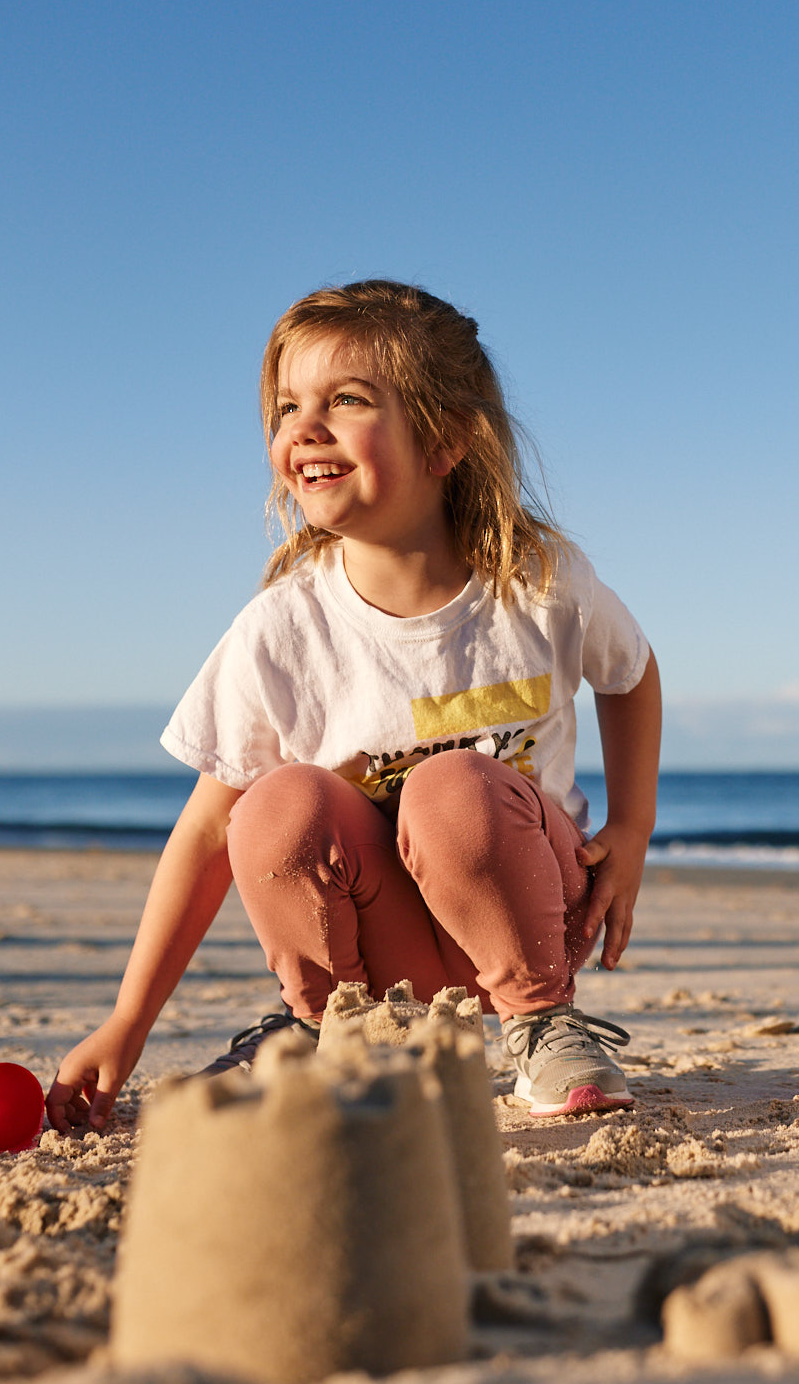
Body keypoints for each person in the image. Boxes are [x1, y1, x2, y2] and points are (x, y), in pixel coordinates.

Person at [46, 280, 661, 1132]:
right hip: (383, 951)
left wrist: (632, 830)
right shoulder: (284, 628)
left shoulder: (537, 585)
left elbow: (630, 674)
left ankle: (542, 1027)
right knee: (275, 806)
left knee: (454, 787)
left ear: (445, 440)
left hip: (523, 918)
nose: (303, 426)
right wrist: (128, 1020)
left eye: (347, 400)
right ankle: (330, 1032)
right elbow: (206, 833)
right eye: (289, 405)